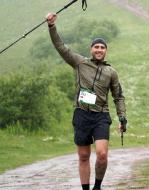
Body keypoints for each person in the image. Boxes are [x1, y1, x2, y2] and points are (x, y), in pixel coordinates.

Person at [46, 13, 127, 190]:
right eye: (96, 47)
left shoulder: (111, 72)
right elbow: (60, 47)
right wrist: (52, 27)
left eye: (102, 47)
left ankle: (97, 186)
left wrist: (122, 118)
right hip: (81, 114)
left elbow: (118, 96)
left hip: (101, 116)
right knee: (83, 156)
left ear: (106, 51)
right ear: (91, 49)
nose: (99, 50)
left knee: (102, 154)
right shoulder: (79, 63)